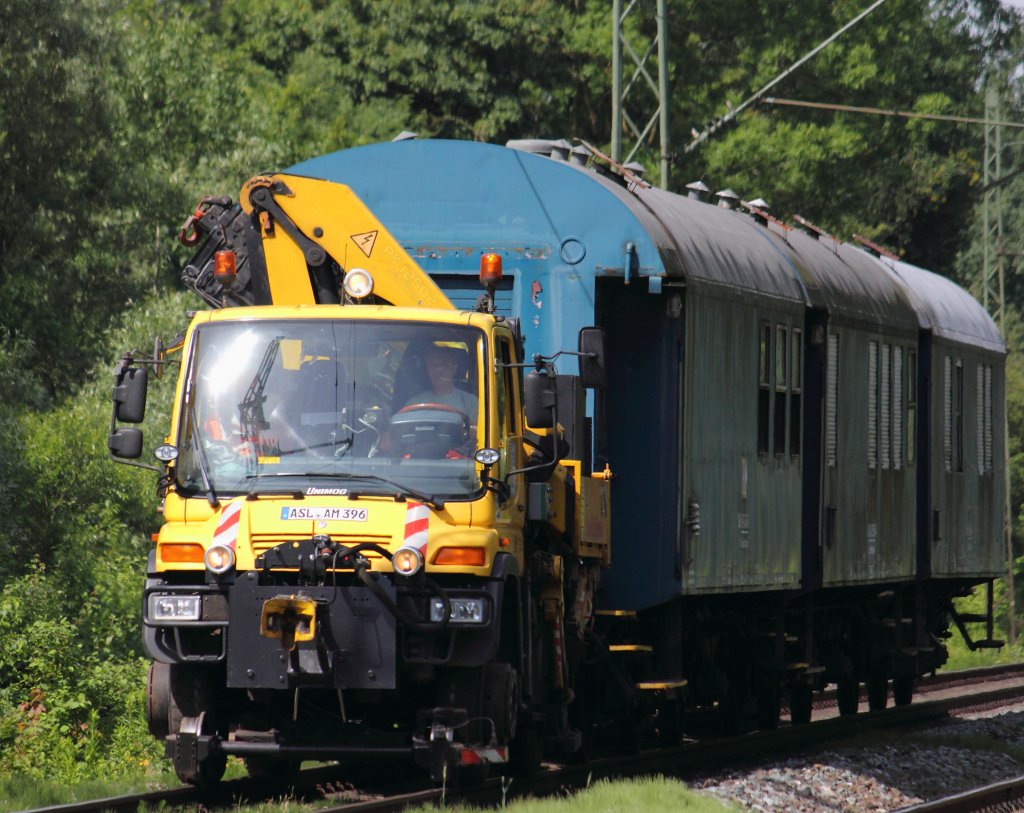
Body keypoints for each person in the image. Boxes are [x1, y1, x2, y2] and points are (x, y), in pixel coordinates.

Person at [405, 343, 478, 419]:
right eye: (434, 365)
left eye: (444, 365)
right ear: (427, 369)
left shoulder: (470, 402)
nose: (439, 370)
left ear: (454, 369)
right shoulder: (414, 404)